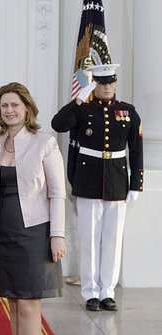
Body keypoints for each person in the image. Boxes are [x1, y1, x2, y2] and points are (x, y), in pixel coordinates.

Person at [0, 82, 66, 335]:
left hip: (35, 233)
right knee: (14, 305)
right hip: (3, 232)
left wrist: (57, 235)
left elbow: (57, 193)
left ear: (27, 108)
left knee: (29, 305)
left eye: (15, 105)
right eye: (4, 106)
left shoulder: (45, 142)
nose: (9, 110)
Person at [52, 64, 143, 312]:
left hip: (116, 181)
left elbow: (135, 151)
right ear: (96, 85)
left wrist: (136, 184)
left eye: (110, 83)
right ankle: (90, 291)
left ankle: (107, 291)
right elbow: (58, 124)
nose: (106, 87)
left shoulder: (128, 112)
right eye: (101, 83)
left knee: (112, 240)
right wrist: (78, 100)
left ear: (115, 84)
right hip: (88, 180)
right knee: (89, 240)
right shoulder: (84, 110)